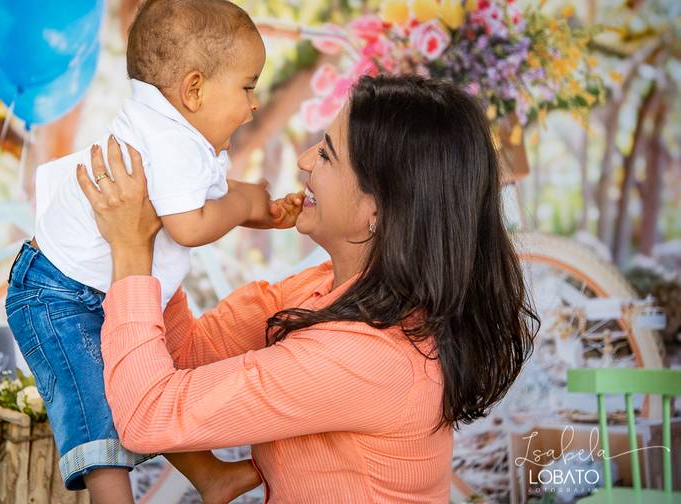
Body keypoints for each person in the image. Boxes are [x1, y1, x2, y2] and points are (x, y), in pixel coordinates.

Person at [76, 74, 540, 502]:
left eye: (326, 154)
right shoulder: (329, 287)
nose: (303, 160)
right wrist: (157, 235)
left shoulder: (367, 356)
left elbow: (146, 417)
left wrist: (132, 251)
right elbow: (190, 352)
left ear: (376, 211)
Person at [5, 0, 303, 503]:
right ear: (194, 89)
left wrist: (261, 208)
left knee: (142, 383)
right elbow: (189, 226)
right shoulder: (170, 140)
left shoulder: (179, 131)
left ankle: (209, 475)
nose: (254, 107)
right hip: (55, 293)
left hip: (95, 287)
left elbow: (207, 198)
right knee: (96, 409)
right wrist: (246, 204)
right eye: (248, 88)